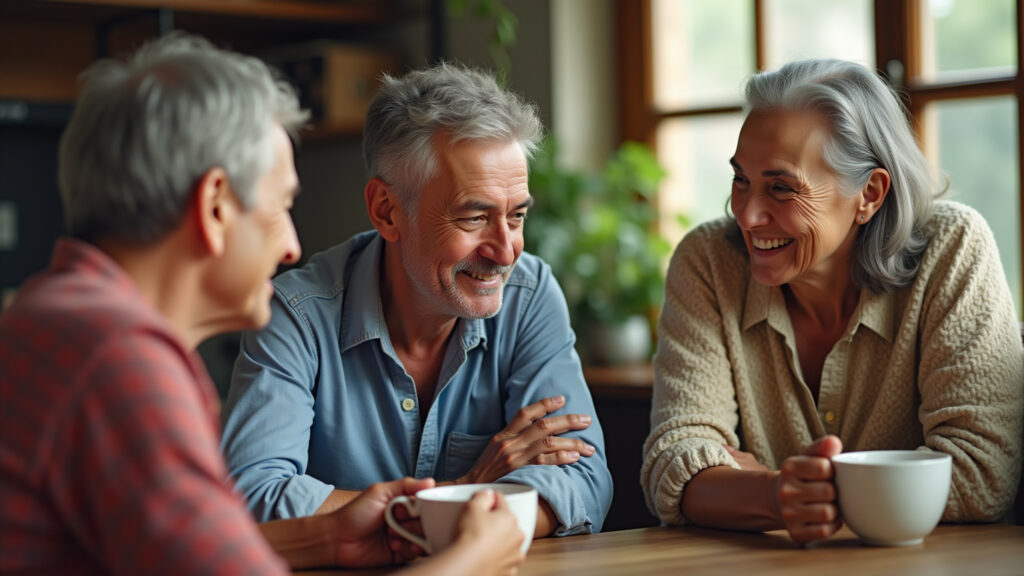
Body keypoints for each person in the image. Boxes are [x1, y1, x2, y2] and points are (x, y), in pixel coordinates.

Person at [0, 33, 526, 575]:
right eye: (280, 206)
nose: (291, 246)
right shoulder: (120, 362)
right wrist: (471, 562)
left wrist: (319, 538)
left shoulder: (51, 315)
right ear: (215, 207)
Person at [220, 62, 613, 537]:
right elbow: (253, 497)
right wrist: (461, 493)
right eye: (474, 218)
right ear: (387, 212)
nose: (505, 251)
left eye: (517, 215)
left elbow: (582, 479)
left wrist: (422, 514)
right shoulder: (296, 314)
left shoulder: (528, 295)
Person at [642, 58, 1024, 544]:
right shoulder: (708, 263)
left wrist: (751, 484)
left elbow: (980, 476)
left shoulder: (953, 249)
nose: (748, 214)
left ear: (869, 192)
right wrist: (772, 494)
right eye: (741, 180)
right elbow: (673, 466)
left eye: (781, 187)